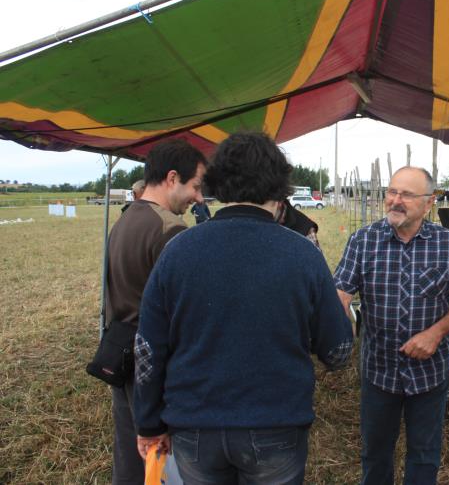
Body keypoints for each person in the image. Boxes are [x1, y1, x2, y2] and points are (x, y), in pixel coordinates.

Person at [134, 132, 353, 484]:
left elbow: (147, 349)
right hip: (276, 425)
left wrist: (148, 423)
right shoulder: (303, 254)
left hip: (193, 428)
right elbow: (339, 352)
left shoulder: (178, 250)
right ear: (279, 186)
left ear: (218, 183)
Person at [334, 166, 449, 485]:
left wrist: (436, 333)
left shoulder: (448, 243)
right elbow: (340, 291)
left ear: (428, 204)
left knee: (424, 457)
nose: (395, 201)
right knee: (375, 455)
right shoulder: (363, 240)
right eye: (392, 192)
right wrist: (335, 309)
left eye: (407, 195)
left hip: (429, 374)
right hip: (379, 371)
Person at [105, 141, 207, 485]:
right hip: (154, 371)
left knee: (130, 460)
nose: (197, 198)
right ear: (172, 177)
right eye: (195, 186)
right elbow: (184, 320)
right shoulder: (171, 231)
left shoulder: (124, 221)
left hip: (120, 358)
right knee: (165, 467)